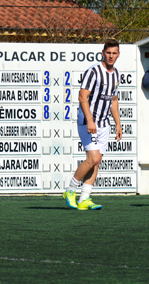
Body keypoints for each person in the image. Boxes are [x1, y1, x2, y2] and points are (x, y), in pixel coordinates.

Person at [63, 39, 122, 211]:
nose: (111, 56)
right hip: (88, 121)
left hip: (104, 124)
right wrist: (89, 119)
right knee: (93, 158)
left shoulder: (116, 74)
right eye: (108, 53)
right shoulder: (94, 71)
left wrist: (118, 124)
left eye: (114, 53)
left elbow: (114, 100)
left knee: (97, 162)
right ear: (103, 52)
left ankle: (84, 198)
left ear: (118, 55)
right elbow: (82, 96)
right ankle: (70, 190)